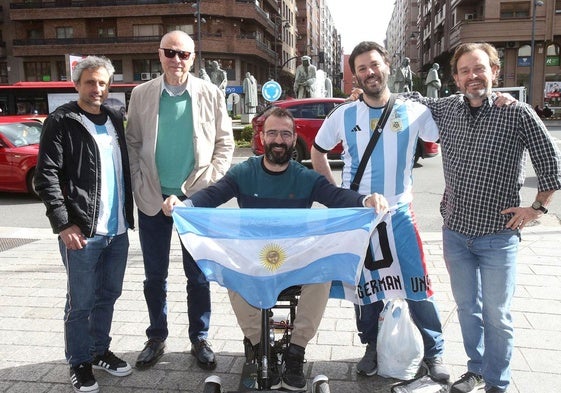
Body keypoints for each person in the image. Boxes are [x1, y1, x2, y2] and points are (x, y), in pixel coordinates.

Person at [162, 106, 389, 391]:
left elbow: (336, 196)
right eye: (272, 133)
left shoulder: (304, 176)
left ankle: (296, 351)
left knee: (322, 273)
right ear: (262, 137)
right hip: (255, 260)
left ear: (294, 139)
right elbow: (212, 194)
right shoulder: (244, 172)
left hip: (295, 259)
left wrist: (365, 201)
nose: (278, 140)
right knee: (230, 272)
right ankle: (260, 347)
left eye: (285, 134)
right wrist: (185, 206)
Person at [407, 42, 561, 393]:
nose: (472, 76)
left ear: (494, 72)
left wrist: (535, 210)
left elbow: (551, 166)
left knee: (498, 316)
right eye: (464, 71)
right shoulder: (445, 109)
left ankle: (497, 382)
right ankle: (475, 370)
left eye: (479, 69)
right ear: (456, 78)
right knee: (467, 310)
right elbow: (413, 100)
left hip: (498, 237)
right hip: (456, 234)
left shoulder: (517, 113)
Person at [310, 41, 450, 383]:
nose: (370, 72)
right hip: (360, 217)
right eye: (362, 68)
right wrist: (339, 196)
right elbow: (317, 152)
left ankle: (434, 352)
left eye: (374, 64)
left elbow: (452, 129)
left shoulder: (415, 111)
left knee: (417, 282)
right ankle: (371, 346)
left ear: (386, 65)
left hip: (401, 212)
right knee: (366, 287)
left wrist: (498, 102)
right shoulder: (344, 114)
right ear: (355, 74)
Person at [125, 30, 234, 371]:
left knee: (198, 276)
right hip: (153, 202)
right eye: (170, 52)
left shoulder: (211, 93)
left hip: (195, 202)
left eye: (183, 54)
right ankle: (156, 336)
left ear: (193, 57)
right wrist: (149, 192)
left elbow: (225, 145)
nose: (176, 60)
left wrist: (193, 194)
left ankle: (199, 337)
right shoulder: (141, 94)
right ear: (159, 55)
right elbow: (132, 144)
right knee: (154, 276)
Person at [34, 56, 135, 393]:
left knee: (108, 295)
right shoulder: (62, 121)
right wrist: (63, 224)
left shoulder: (114, 118)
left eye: (103, 83)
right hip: (82, 232)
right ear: (76, 84)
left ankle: (98, 351)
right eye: (90, 82)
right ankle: (78, 361)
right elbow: (46, 176)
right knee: (80, 302)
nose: (97, 89)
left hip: (117, 230)